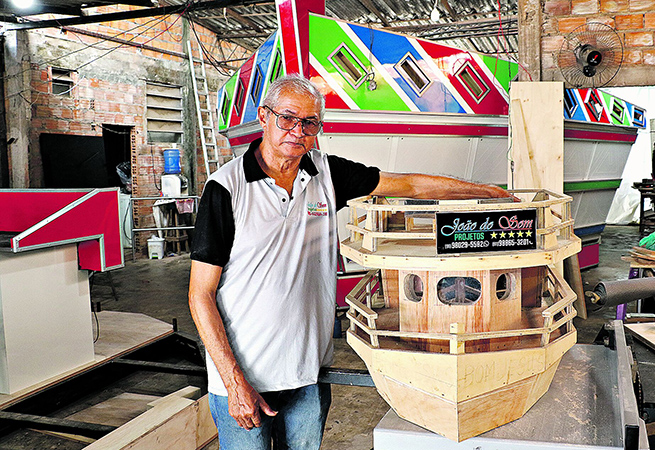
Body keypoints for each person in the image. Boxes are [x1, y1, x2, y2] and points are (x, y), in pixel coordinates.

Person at [188, 74, 513, 450]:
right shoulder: (226, 188)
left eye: (310, 123)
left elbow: (408, 186)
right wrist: (232, 381)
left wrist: (485, 191)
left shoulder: (325, 174)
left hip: (307, 374)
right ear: (264, 116)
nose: (298, 131)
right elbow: (201, 294)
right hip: (243, 379)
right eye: (287, 118)